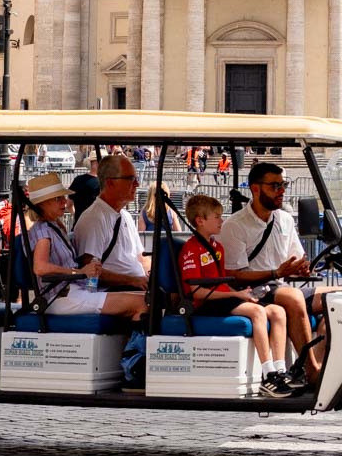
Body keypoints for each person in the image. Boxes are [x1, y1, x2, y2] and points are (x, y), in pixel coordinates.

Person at [179, 194, 297, 397]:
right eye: (216, 217)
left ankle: (280, 370)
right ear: (200, 220)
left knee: (277, 311)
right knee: (258, 311)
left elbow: (222, 283)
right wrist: (237, 296)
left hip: (223, 298)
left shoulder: (218, 248)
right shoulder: (190, 250)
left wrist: (240, 294)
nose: (221, 221)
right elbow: (197, 291)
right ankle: (268, 375)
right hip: (206, 303)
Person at [221, 162, 323, 384]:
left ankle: (321, 363)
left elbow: (294, 262)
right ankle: (312, 369)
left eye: (283, 184)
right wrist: (277, 271)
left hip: (279, 286)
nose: (282, 191)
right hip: (252, 290)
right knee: (294, 297)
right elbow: (234, 275)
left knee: (337, 298)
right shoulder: (235, 225)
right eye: (274, 186)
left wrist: (302, 269)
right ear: (255, 189)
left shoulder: (284, 219)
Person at [21, 173, 145, 320]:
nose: (64, 202)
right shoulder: (43, 231)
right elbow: (40, 267)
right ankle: (134, 343)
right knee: (142, 303)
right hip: (60, 297)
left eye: (63, 197)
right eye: (58, 199)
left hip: (75, 290)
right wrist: (78, 272)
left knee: (149, 298)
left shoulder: (55, 226)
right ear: (42, 204)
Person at [74, 154, 150, 293]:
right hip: (114, 290)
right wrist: (133, 281)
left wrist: (151, 276)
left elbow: (141, 257)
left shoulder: (125, 216)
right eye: (130, 179)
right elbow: (91, 269)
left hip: (135, 286)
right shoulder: (94, 219)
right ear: (110, 183)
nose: (137, 184)